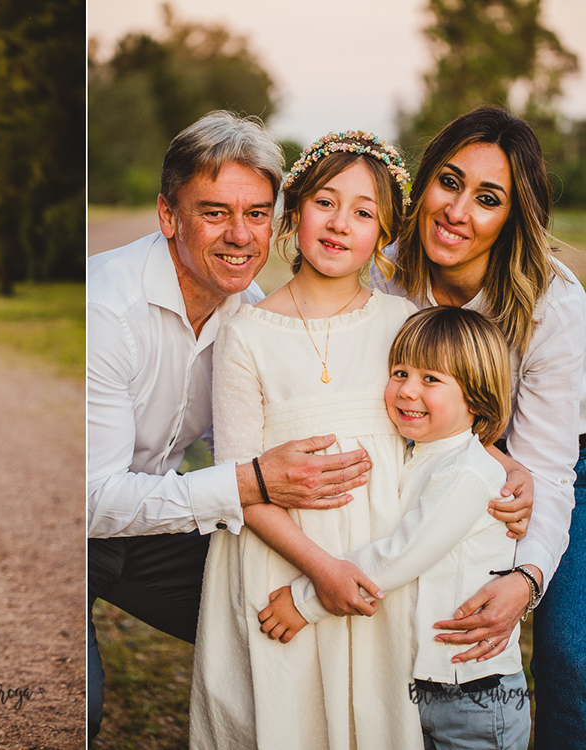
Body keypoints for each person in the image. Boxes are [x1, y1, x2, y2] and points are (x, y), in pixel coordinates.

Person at [87, 112, 381, 741]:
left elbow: (262, 452)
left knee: (283, 605)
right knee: (76, 704)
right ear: (170, 216)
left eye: (257, 213)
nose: (240, 235)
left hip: (156, 526)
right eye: (215, 211)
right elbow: (92, 502)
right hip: (72, 532)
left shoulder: (248, 316)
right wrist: (248, 481)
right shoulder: (106, 310)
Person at [189, 130, 431, 749]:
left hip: (376, 559)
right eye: (326, 202)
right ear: (295, 212)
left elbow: (437, 438)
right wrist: (320, 570)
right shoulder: (246, 332)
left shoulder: (403, 325)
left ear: (385, 233)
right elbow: (240, 481)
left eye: (364, 211)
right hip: (281, 559)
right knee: (285, 715)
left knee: (367, 714)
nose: (340, 223)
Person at [370, 106, 586, 748]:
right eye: (449, 181)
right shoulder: (385, 272)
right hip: (434, 458)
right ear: (424, 182)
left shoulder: (554, 305)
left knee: (571, 657)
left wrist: (524, 580)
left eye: (487, 198)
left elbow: (544, 468)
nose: (457, 211)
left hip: (562, 466)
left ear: (513, 218)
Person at [261, 306, 531, 749]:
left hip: (473, 694)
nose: (407, 391)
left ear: (477, 396)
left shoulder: (468, 474)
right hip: (418, 686)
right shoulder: (416, 457)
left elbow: (400, 556)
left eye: (431, 379)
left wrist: (305, 600)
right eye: (400, 372)